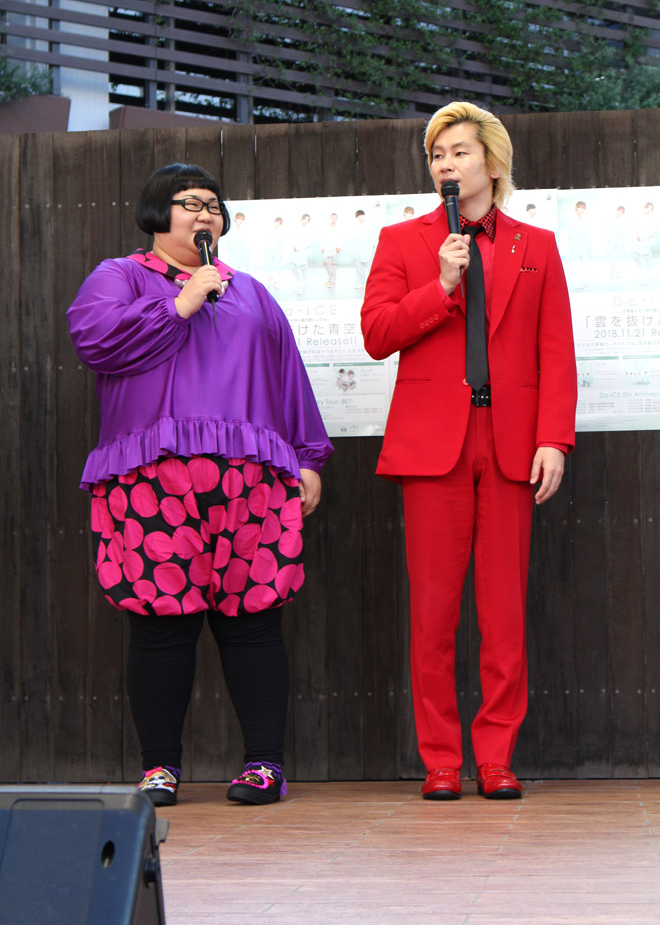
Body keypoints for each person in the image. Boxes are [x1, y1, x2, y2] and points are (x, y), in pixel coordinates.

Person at [67, 163, 333, 808]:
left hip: (251, 479)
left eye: (213, 204)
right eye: (189, 203)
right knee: (160, 625)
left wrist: (308, 457)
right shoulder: (120, 276)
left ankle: (264, 766)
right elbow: (95, 341)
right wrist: (180, 303)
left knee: (254, 622)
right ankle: (160, 768)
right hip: (153, 478)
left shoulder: (252, 293)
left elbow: (288, 375)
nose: (205, 214)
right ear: (157, 213)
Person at [361, 102, 577, 802]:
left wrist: (553, 438)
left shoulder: (536, 245)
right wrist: (441, 285)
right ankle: (440, 761)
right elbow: (377, 334)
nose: (446, 165)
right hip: (433, 447)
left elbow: (555, 350)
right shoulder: (403, 241)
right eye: (437, 155)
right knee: (433, 613)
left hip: (511, 442)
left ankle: (496, 758)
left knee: (503, 613)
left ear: (492, 161)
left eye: (459, 151)